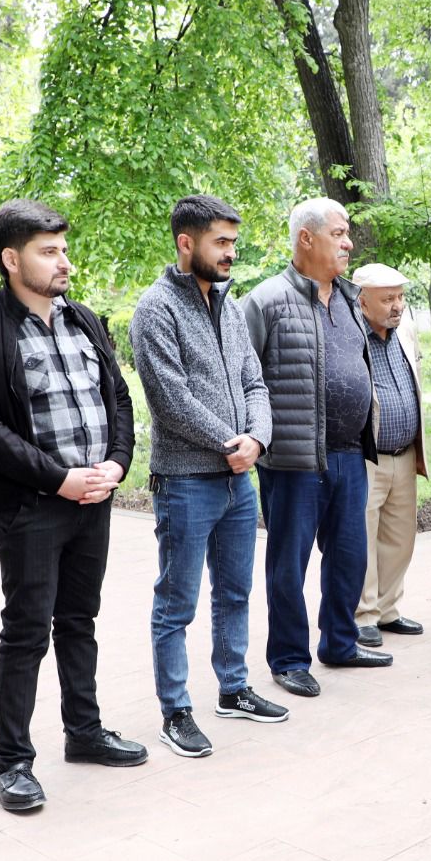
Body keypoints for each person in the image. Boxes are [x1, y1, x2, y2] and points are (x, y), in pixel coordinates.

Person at [0, 199, 143, 810]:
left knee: (79, 620)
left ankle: (84, 732)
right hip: (32, 506)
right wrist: (58, 479)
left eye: (64, 249)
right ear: (12, 260)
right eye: (49, 251)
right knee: (27, 631)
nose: (65, 262)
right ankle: (12, 763)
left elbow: (118, 397)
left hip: (95, 499)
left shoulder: (82, 319)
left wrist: (117, 462)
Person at [129, 195, 289, 758]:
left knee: (236, 592)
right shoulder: (155, 310)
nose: (230, 253)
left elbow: (255, 382)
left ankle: (233, 689)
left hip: (237, 481)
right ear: (186, 243)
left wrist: (257, 439)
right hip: (186, 483)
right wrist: (232, 444)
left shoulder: (230, 304)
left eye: (233, 243)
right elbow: (171, 401)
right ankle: (175, 712)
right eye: (221, 242)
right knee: (177, 603)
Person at [242, 197, 390, 699]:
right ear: (306, 238)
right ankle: (288, 659)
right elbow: (243, 378)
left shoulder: (350, 299)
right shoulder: (266, 300)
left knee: (349, 557)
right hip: (293, 459)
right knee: (289, 563)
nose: (349, 243)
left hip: (349, 452)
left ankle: (340, 643)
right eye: (338, 233)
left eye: (348, 234)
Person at [351, 262, 428, 648]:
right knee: (362, 537)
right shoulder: (351, 335)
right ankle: (363, 613)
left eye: (400, 297)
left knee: (400, 537)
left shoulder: (406, 330)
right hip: (367, 456)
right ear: (362, 302)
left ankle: (387, 609)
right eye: (387, 299)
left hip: (405, 452)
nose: (397, 306)